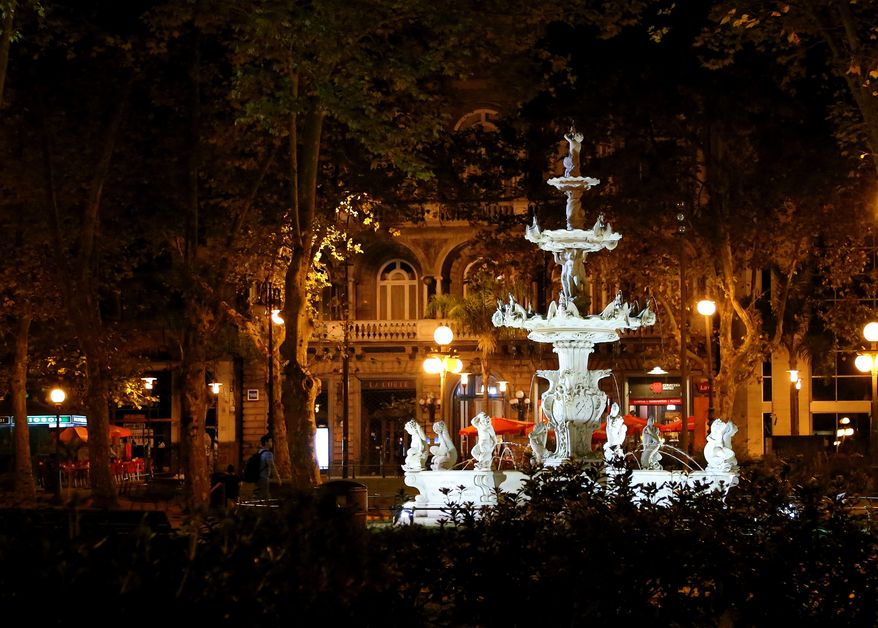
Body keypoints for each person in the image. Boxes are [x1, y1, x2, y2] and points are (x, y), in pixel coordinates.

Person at [254, 434, 279, 500]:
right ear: (266, 442)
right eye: (270, 441)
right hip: (263, 478)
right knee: (265, 497)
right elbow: (272, 466)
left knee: (260, 496)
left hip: (257, 477)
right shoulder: (268, 454)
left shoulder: (259, 452)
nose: (272, 443)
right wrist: (278, 478)